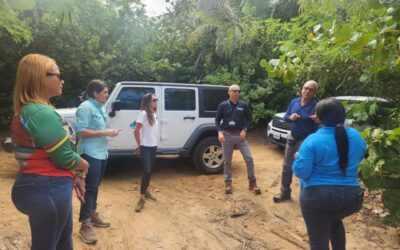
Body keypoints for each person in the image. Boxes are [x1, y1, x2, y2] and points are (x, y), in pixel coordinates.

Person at [10, 54, 89, 250]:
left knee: (62, 242)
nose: (62, 80)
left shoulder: (30, 111)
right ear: (40, 78)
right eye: (57, 75)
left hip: (46, 186)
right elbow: (64, 156)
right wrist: (84, 166)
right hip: (47, 188)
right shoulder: (40, 113)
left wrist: (76, 175)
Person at [292, 98, 366, 250]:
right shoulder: (357, 136)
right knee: (334, 221)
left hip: (318, 198)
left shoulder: (313, 140)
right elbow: (358, 158)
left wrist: (298, 157)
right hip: (351, 198)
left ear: (318, 117)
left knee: (318, 241)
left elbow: (301, 172)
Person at [75, 79, 120, 244]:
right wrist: (105, 132)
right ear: (95, 93)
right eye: (105, 93)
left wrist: (109, 132)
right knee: (90, 188)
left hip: (101, 153)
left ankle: (92, 214)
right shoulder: (85, 107)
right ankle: (85, 224)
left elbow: (100, 130)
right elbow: (80, 132)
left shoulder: (99, 107)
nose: (107, 95)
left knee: (95, 186)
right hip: (90, 153)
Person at [273, 80, 318, 203]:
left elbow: (320, 124)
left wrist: (317, 119)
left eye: (311, 89)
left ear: (314, 93)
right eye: (306, 88)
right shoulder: (294, 102)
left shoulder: (316, 106)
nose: (307, 91)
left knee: (305, 168)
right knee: (287, 167)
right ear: (301, 89)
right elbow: (287, 116)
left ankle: (308, 198)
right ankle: (285, 193)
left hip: (307, 140)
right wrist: (290, 117)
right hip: (292, 137)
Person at [215, 84, 261, 195]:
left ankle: (252, 182)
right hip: (226, 136)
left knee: (249, 158)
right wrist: (220, 132)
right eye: (234, 91)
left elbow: (250, 120)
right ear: (229, 92)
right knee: (227, 161)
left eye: (238, 91)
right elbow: (217, 120)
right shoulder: (223, 105)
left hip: (240, 136)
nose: (236, 93)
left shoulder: (243, 106)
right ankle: (228, 183)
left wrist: (245, 130)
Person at [133, 93, 159, 212]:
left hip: (153, 146)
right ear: (148, 102)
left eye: (156, 100)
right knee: (146, 170)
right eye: (154, 100)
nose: (156, 102)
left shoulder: (154, 114)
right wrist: (139, 144)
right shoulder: (143, 114)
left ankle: (146, 191)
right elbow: (136, 131)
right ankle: (142, 198)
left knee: (149, 171)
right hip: (145, 147)